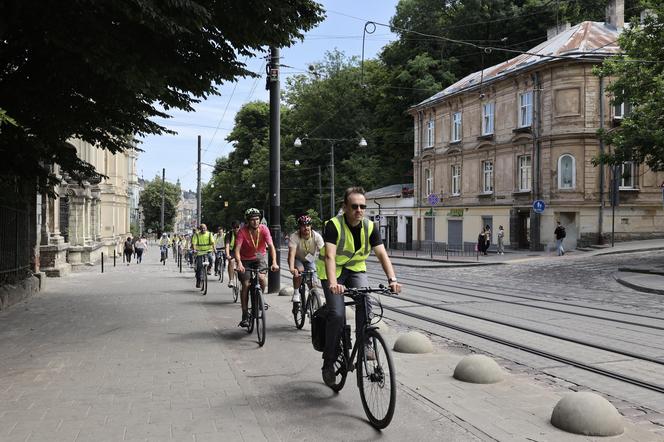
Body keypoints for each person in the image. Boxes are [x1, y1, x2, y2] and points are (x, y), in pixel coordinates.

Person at [317, 187, 401, 388]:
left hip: (355, 269)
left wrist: (392, 279)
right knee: (337, 315)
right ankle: (328, 363)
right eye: (354, 206)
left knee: (366, 300)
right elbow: (329, 256)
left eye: (363, 206)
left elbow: (382, 255)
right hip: (333, 271)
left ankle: (365, 342)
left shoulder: (370, 227)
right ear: (345, 207)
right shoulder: (333, 225)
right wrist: (333, 284)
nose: (359, 210)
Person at [235, 208, 279, 328]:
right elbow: (237, 249)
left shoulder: (264, 229)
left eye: (257, 219)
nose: (255, 222)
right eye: (253, 220)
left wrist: (274, 262)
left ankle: (260, 298)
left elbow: (271, 246)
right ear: (248, 221)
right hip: (245, 260)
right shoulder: (242, 231)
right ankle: (244, 314)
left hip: (259, 257)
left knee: (261, 278)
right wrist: (239, 263)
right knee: (246, 284)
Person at [288, 214, 324, 314]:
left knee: (313, 284)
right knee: (299, 271)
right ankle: (296, 294)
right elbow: (291, 254)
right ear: (300, 227)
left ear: (311, 226)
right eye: (303, 226)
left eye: (308, 225)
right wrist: (291, 268)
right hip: (297, 258)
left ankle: (310, 308)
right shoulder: (294, 236)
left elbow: (324, 253)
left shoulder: (316, 236)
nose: (306, 228)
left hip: (310, 260)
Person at [192, 223, 215, 288]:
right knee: (199, 267)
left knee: (211, 259)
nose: (203, 229)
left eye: (204, 228)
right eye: (201, 228)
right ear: (199, 229)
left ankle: (209, 268)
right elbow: (194, 243)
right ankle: (198, 280)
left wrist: (214, 249)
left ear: (206, 228)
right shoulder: (196, 235)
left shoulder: (209, 234)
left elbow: (213, 242)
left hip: (208, 251)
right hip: (199, 252)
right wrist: (194, 250)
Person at [225, 220, 240, 287]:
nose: (236, 229)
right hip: (232, 251)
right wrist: (228, 255)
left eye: (237, 227)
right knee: (231, 261)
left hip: (241, 251)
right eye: (234, 227)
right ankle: (231, 280)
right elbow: (227, 245)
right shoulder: (229, 234)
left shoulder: (243, 233)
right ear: (232, 228)